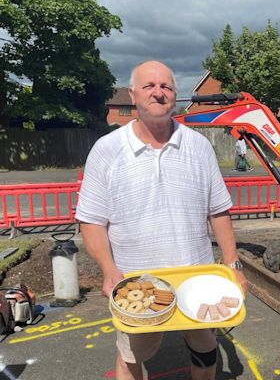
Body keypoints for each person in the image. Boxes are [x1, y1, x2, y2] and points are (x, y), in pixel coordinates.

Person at [75, 60, 247, 380]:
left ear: (174, 94)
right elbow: (91, 220)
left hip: (196, 279)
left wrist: (233, 264)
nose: (158, 93)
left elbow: (218, 211)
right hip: (139, 284)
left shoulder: (199, 147)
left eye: (165, 86)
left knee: (205, 348)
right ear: (133, 94)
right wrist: (109, 270)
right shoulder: (107, 150)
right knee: (130, 357)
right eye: (149, 86)